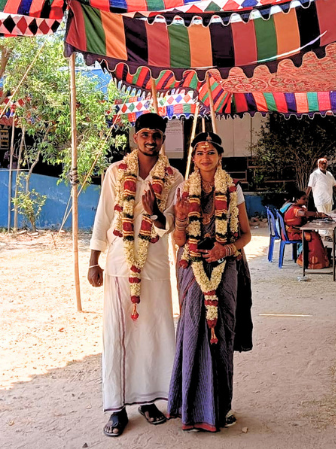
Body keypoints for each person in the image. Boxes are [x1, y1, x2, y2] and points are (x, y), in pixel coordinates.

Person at [87, 113, 184, 437]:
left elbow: (172, 221)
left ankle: (148, 401)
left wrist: (156, 212)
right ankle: (116, 408)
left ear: (162, 139)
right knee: (117, 336)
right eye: (144, 134)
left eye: (156, 135)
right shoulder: (115, 173)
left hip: (155, 264)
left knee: (154, 336)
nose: (150, 140)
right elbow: (103, 217)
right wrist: (93, 261)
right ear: (135, 137)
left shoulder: (174, 177)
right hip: (118, 264)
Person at [170, 131, 253, 433]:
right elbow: (178, 239)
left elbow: (246, 234)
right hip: (191, 266)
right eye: (200, 153)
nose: (205, 158)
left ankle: (221, 407)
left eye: (211, 152)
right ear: (193, 158)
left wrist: (225, 249)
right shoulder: (183, 188)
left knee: (222, 332)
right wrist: (180, 218)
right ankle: (191, 409)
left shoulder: (233, 189)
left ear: (220, 157)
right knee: (192, 328)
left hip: (225, 265)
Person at [281, 190, 331, 269]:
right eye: (304, 199)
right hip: (292, 234)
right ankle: (311, 262)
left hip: (297, 231)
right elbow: (303, 214)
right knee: (313, 236)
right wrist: (319, 214)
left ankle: (316, 260)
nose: (306, 201)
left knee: (315, 234)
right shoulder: (295, 209)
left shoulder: (298, 207)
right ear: (297, 199)